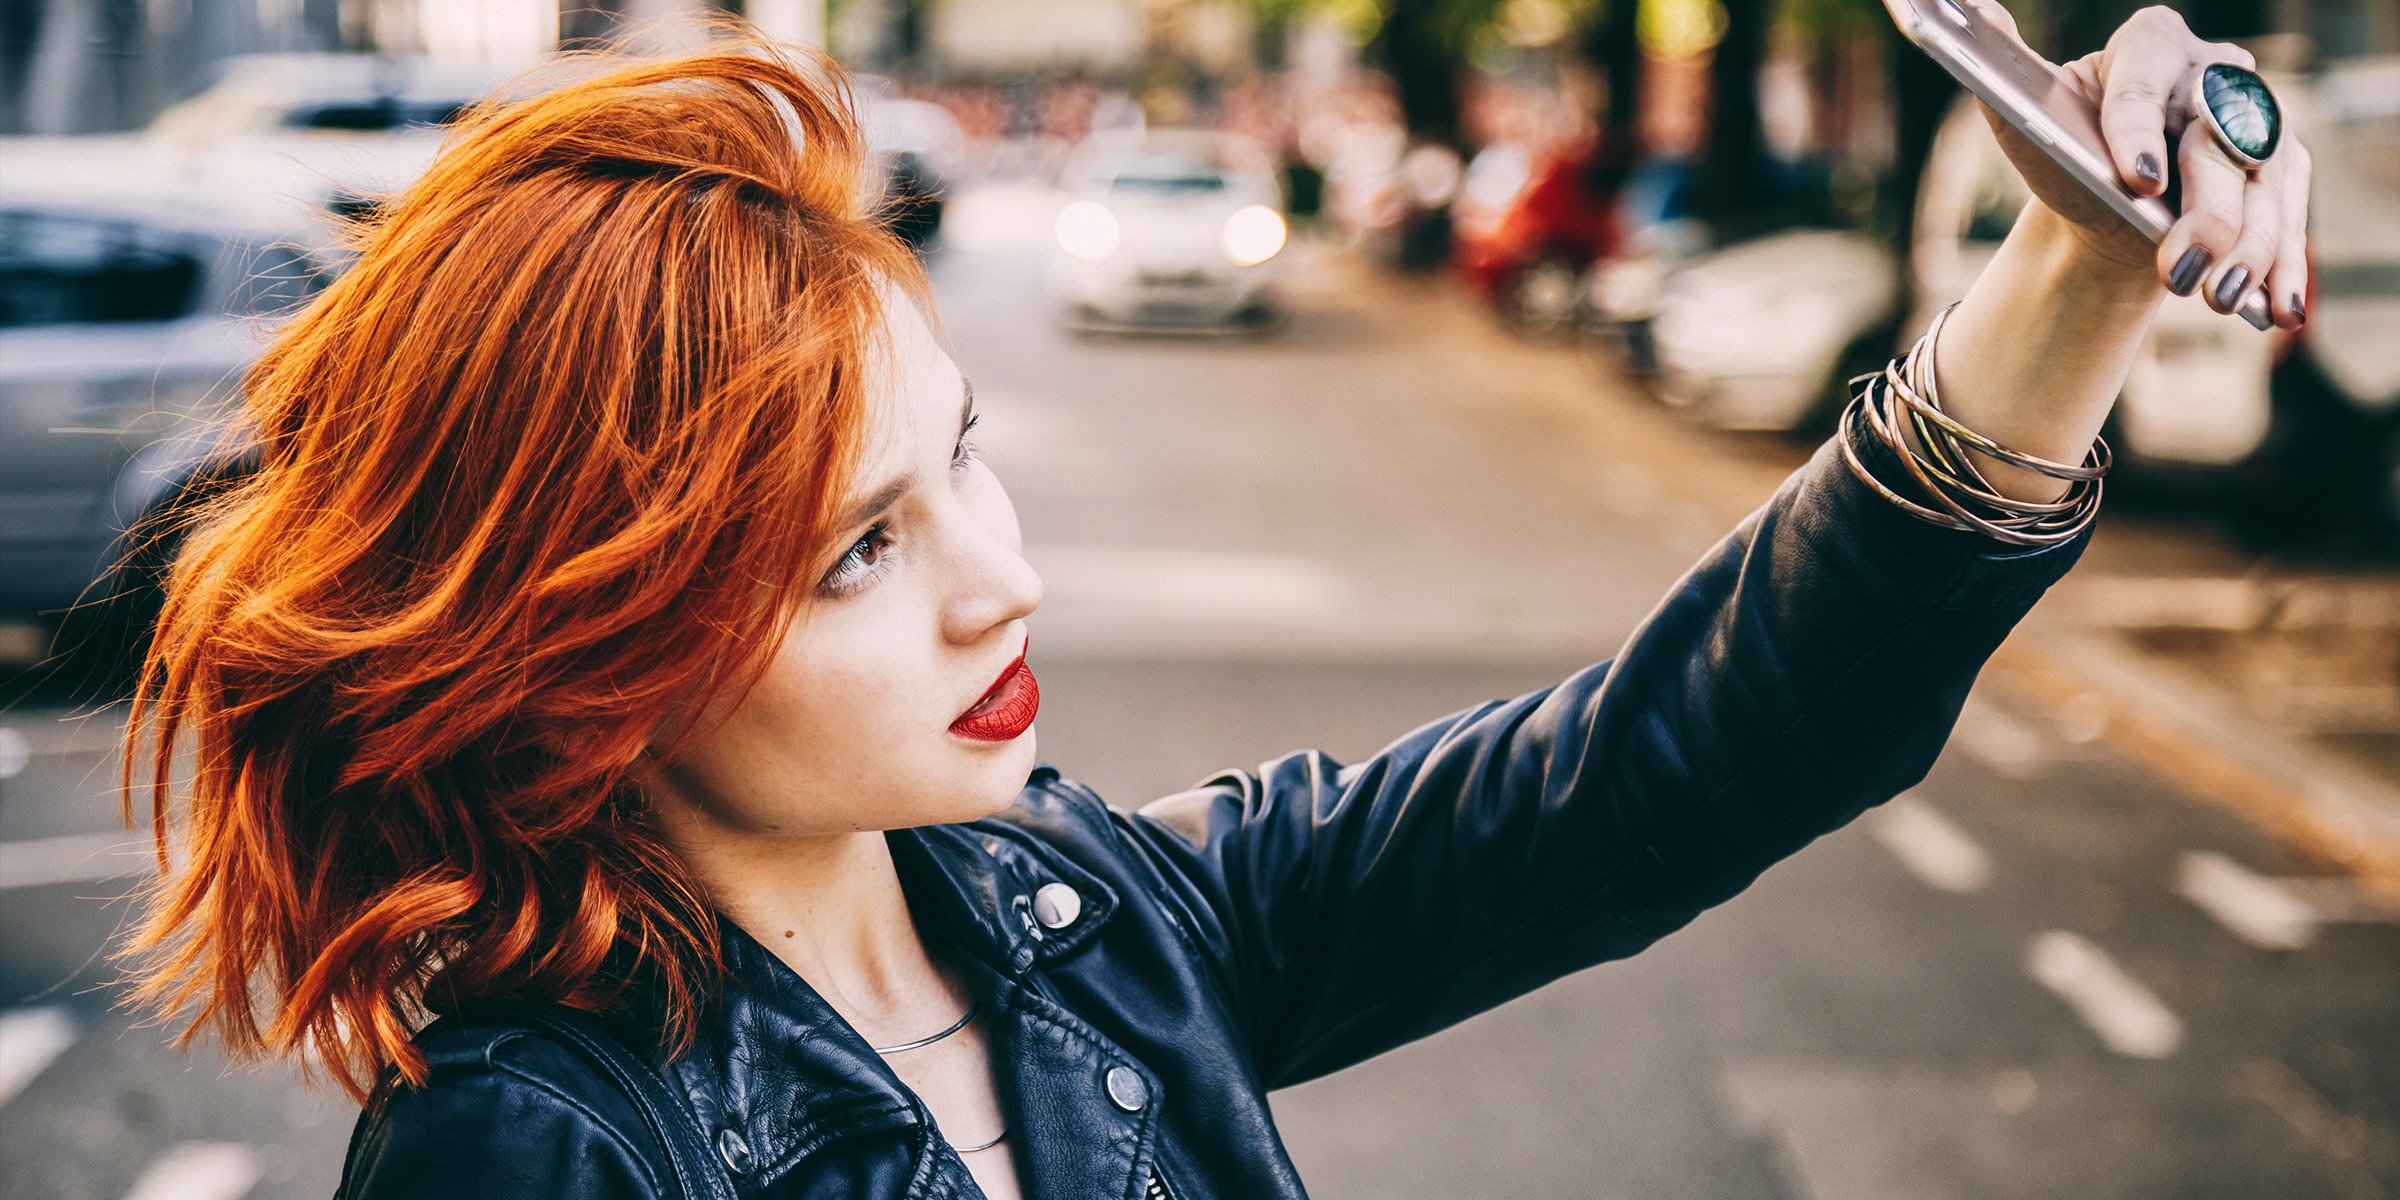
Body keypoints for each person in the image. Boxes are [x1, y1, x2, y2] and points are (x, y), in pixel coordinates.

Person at [117, 10, 2309, 1199]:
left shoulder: (1094, 926)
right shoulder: (538, 1150)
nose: (1008, 582)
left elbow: (1705, 748)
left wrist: (2084, 261)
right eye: (857, 549)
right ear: (591, 647)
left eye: (959, 452)